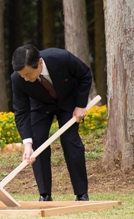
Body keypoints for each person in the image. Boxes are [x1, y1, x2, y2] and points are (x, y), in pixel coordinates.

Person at [11, 45, 92, 201]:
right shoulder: (17, 78)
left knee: (70, 140)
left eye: (28, 74)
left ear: (40, 63)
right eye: (22, 75)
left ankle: (81, 194)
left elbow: (85, 75)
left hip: (68, 102)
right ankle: (44, 194)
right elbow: (21, 111)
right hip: (40, 106)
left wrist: (81, 105)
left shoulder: (61, 58)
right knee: (37, 143)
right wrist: (27, 144)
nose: (25, 79)